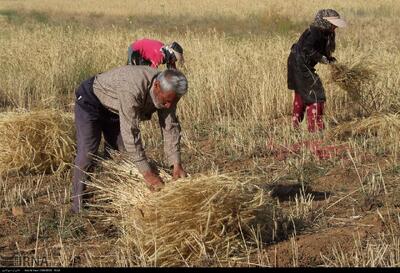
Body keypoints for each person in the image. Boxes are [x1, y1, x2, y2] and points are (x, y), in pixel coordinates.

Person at [71, 66, 188, 213]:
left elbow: (170, 127)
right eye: (166, 101)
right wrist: (148, 174)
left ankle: (111, 195)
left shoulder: (169, 94)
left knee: (122, 155)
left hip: (115, 109)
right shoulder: (132, 86)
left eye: (173, 101)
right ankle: (77, 206)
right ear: (156, 86)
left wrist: (176, 164)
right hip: (92, 101)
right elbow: (131, 133)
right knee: (87, 153)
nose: (169, 105)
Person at [287, 9, 346, 132]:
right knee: (316, 93)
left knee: (302, 92)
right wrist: (321, 58)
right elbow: (307, 49)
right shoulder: (314, 32)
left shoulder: (326, 32)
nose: (335, 26)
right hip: (299, 64)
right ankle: (315, 128)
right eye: (333, 23)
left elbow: (322, 51)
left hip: (298, 63)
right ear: (324, 22)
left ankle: (294, 126)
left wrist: (331, 60)